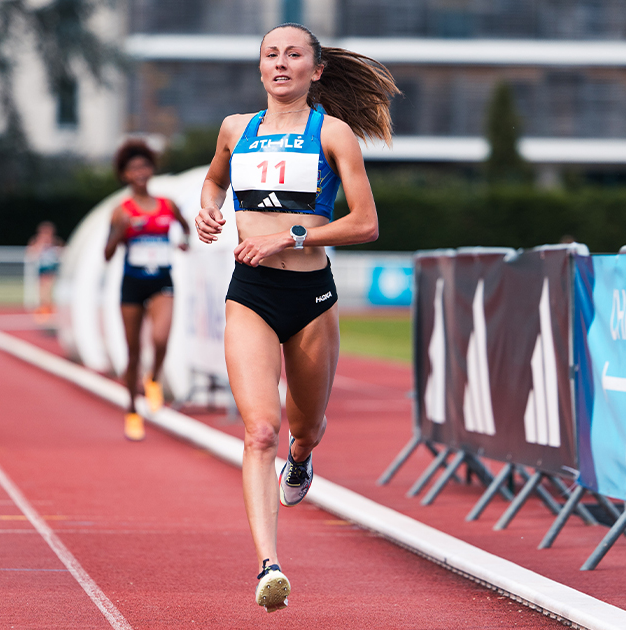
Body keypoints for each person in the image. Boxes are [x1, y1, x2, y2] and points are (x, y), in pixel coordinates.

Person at [194, 23, 396, 613]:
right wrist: (208, 210)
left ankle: (303, 460)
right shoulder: (237, 129)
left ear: (316, 69)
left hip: (310, 298)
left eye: (294, 55)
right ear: (260, 68)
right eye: (271, 55)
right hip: (250, 293)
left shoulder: (332, 134)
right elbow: (213, 180)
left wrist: (295, 234)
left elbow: (365, 223)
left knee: (302, 428)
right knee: (260, 430)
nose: (281, 63)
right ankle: (268, 567)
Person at [103, 140, 190, 441]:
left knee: (161, 337)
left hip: (162, 280)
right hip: (132, 283)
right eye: (133, 168)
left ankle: (153, 378)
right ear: (125, 175)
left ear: (151, 169)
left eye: (144, 166)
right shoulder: (120, 211)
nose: (140, 172)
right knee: (133, 351)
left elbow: (185, 227)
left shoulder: (167, 204)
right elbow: (107, 254)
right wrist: (119, 231)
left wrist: (183, 243)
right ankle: (131, 409)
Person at [27, 221, 65, 318]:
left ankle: (48, 308)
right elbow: (31, 253)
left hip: (51, 267)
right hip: (41, 268)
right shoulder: (37, 241)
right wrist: (41, 244)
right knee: (41, 289)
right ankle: (44, 307)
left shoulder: (56, 241)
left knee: (48, 288)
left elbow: (62, 253)